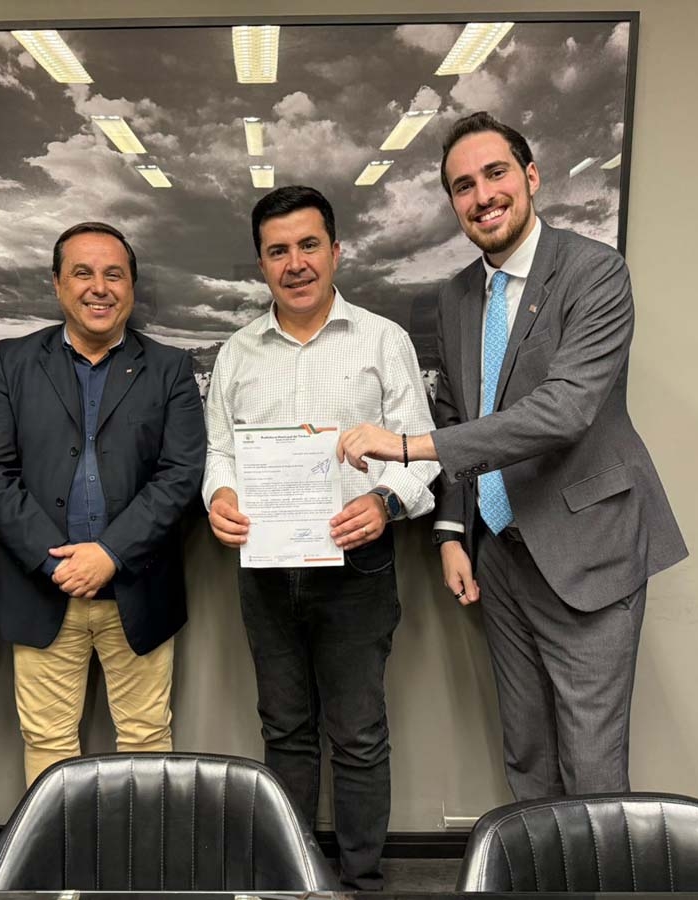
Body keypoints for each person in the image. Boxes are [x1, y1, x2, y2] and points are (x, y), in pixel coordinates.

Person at [337, 112, 688, 799]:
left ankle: (595, 864)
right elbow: (459, 413)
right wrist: (450, 531)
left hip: (588, 550)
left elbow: (563, 411)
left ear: (531, 177)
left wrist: (407, 448)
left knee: (592, 767)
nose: (482, 196)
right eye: (463, 186)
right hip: (499, 554)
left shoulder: (595, 273)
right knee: (527, 754)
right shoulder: (457, 296)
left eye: (495, 173)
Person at [204, 186, 440, 890]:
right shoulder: (237, 353)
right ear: (261, 264)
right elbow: (219, 450)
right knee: (285, 732)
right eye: (278, 251)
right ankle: (294, 879)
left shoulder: (382, 341)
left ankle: (361, 881)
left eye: (309, 245)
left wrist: (385, 503)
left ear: (336, 252)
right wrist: (219, 495)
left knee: (359, 735)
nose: (296, 263)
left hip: (357, 565)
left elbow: (422, 453)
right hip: (266, 571)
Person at [0, 222, 205, 786]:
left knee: (146, 736)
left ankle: (140, 849)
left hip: (138, 587)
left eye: (114, 274)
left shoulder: (170, 368)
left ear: (131, 287)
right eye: (82, 273)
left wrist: (110, 553)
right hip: (40, 587)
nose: (99, 287)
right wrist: (56, 563)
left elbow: (180, 474)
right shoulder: (11, 362)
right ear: (57, 284)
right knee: (48, 742)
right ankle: (60, 848)